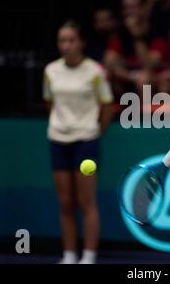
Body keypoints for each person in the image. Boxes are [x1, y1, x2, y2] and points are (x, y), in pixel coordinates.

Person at [43, 21, 114, 264]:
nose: (67, 45)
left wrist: (93, 131)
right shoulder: (50, 70)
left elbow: (106, 106)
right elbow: (50, 103)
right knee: (65, 201)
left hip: (86, 141)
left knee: (86, 201)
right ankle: (70, 255)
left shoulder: (95, 71)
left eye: (71, 40)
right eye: (62, 40)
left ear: (81, 42)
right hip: (58, 139)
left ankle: (89, 256)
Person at [104, 0, 170, 98]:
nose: (129, 12)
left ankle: (146, 114)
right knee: (106, 76)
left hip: (160, 79)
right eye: (126, 8)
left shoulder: (158, 31)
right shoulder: (121, 32)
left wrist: (137, 36)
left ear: (144, 9)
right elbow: (109, 61)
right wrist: (132, 76)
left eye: (133, 8)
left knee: (144, 81)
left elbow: (149, 64)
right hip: (132, 79)